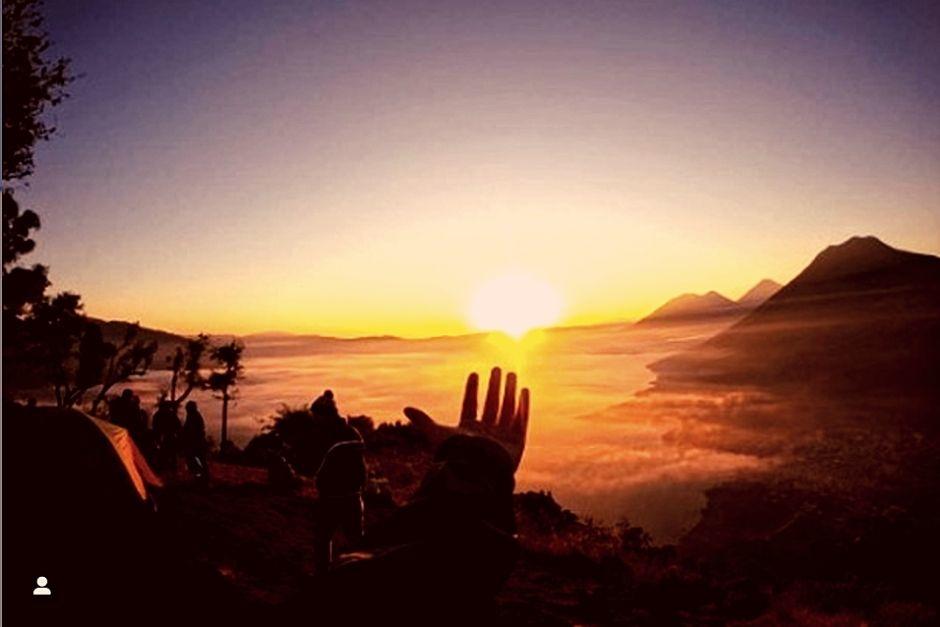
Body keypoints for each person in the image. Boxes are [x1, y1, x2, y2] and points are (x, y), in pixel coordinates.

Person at [310, 390, 367, 575]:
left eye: (316, 416)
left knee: (322, 539)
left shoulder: (325, 436)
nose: (314, 420)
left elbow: (317, 466)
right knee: (356, 540)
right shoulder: (352, 432)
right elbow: (361, 467)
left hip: (331, 498)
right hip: (354, 497)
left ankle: (322, 576)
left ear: (324, 415)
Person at [181, 401, 209, 485]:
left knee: (197, 459)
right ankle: (201, 476)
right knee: (196, 459)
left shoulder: (195, 417)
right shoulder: (192, 416)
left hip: (196, 442)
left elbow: (193, 430)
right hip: (195, 442)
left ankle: (202, 477)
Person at [151, 400, 181, 474]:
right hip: (166, 437)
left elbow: (155, 426)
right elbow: (178, 425)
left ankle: (167, 469)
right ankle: (168, 469)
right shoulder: (169, 414)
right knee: (167, 454)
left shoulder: (159, 415)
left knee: (167, 454)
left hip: (167, 437)